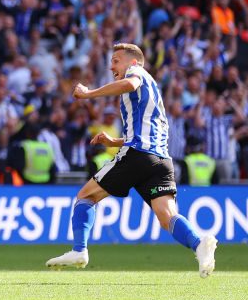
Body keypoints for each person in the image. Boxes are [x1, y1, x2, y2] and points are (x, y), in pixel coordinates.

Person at [45, 43, 217, 277]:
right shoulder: (152, 90)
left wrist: (88, 94)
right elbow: (146, 131)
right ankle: (200, 245)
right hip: (161, 160)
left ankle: (79, 250)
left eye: (116, 60)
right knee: (167, 217)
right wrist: (114, 141)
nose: (111, 65)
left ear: (133, 62)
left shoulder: (137, 74)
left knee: (85, 196)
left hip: (138, 155)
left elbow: (129, 83)